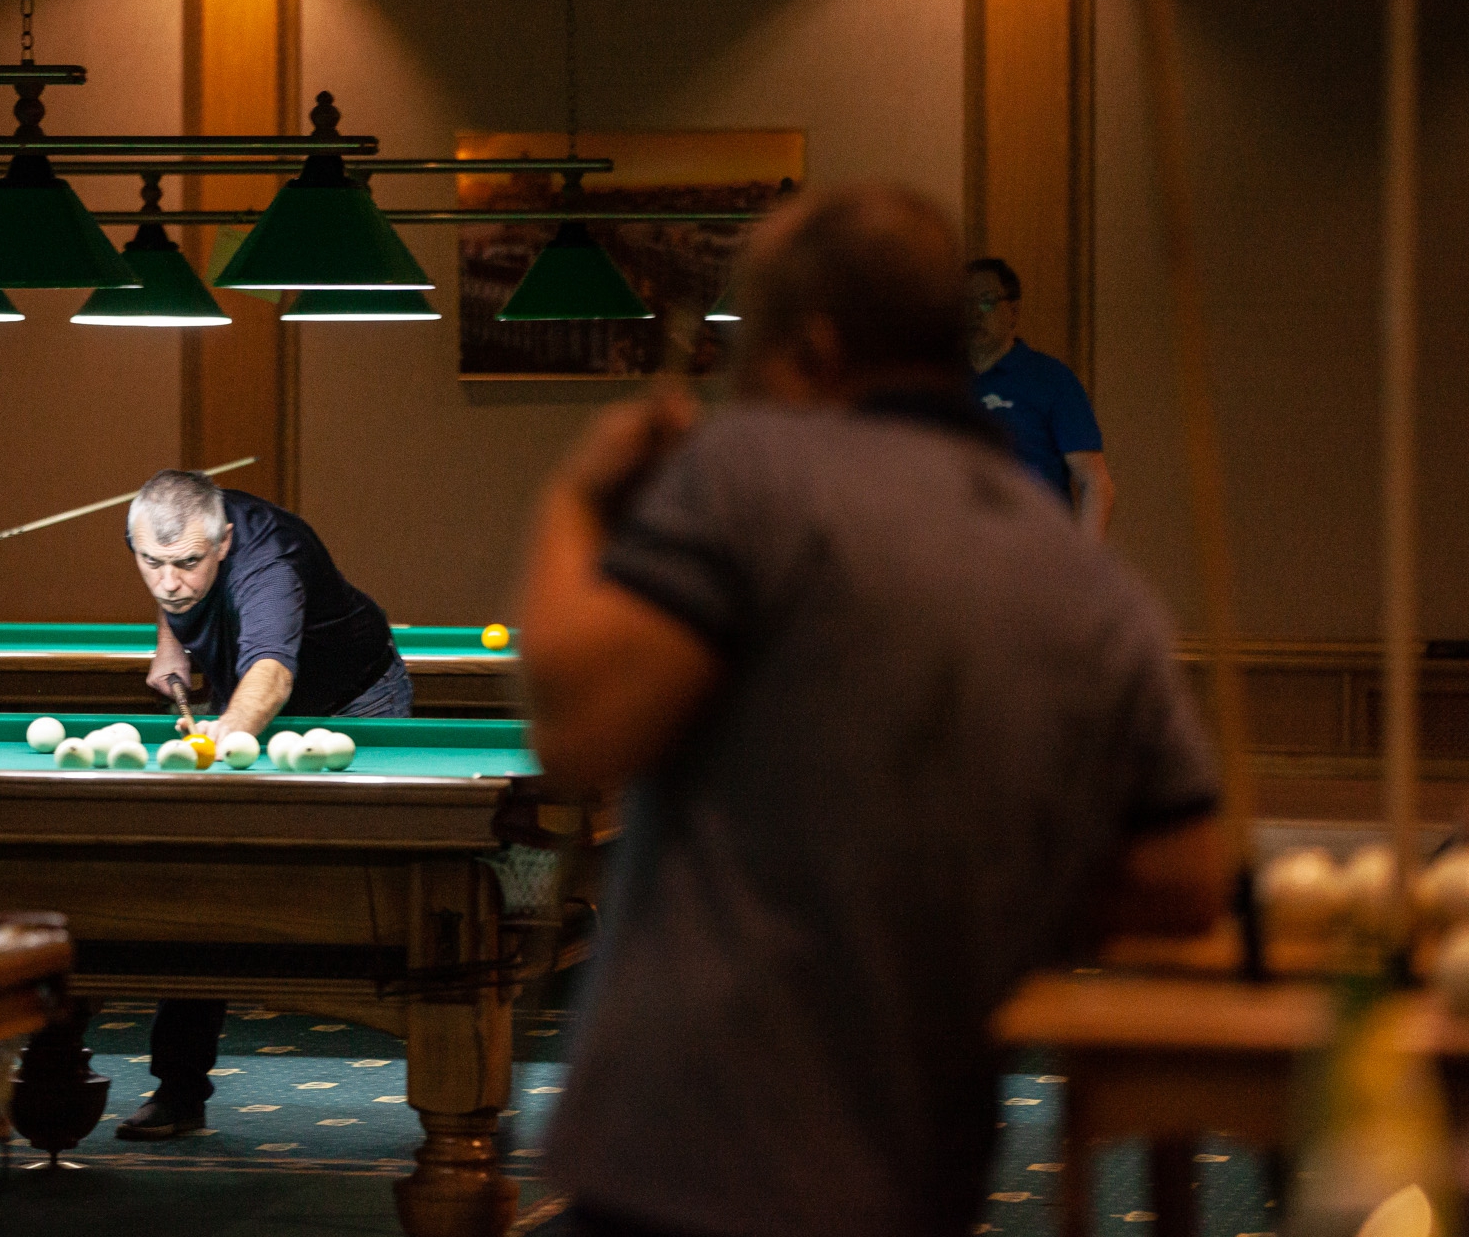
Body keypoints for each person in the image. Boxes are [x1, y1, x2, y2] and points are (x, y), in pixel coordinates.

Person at [518, 185, 1225, 1237]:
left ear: (813, 350)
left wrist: (580, 499)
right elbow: (1185, 877)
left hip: (688, 1160)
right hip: (918, 1173)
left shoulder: (749, 474)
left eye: (749, 354)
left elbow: (580, 730)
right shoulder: (1086, 582)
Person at [115, 468, 411, 1140]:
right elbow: (172, 589)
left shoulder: (268, 562)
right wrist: (172, 645)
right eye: (152, 563)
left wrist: (215, 748)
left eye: (188, 563)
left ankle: (433, 1062)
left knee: (373, 893)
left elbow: (271, 676)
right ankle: (180, 1089)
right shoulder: (163, 535)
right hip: (242, 701)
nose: (169, 581)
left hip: (352, 704)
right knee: (203, 882)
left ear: (223, 542)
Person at [966, 257, 1115, 537]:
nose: (974, 313)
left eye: (986, 302)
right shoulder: (943, 382)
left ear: (1013, 311)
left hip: (1036, 544)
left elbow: (1095, 483)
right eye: (965, 303)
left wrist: (1081, 558)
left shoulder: (1050, 379)